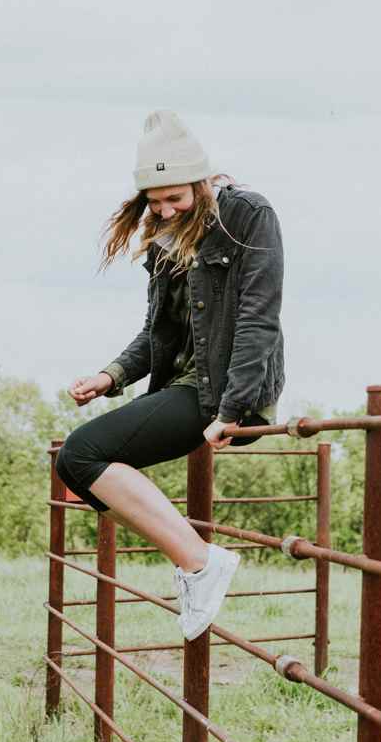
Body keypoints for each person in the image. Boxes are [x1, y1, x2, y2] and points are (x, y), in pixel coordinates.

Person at [56, 109, 285, 640]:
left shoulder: (249, 215)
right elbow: (156, 333)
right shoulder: (163, 238)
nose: (164, 210)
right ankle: (197, 562)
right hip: (185, 384)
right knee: (79, 466)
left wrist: (232, 407)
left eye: (174, 199)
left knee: (81, 454)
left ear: (203, 183)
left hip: (223, 390)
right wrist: (110, 376)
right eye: (154, 203)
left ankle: (201, 564)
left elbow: (259, 317)